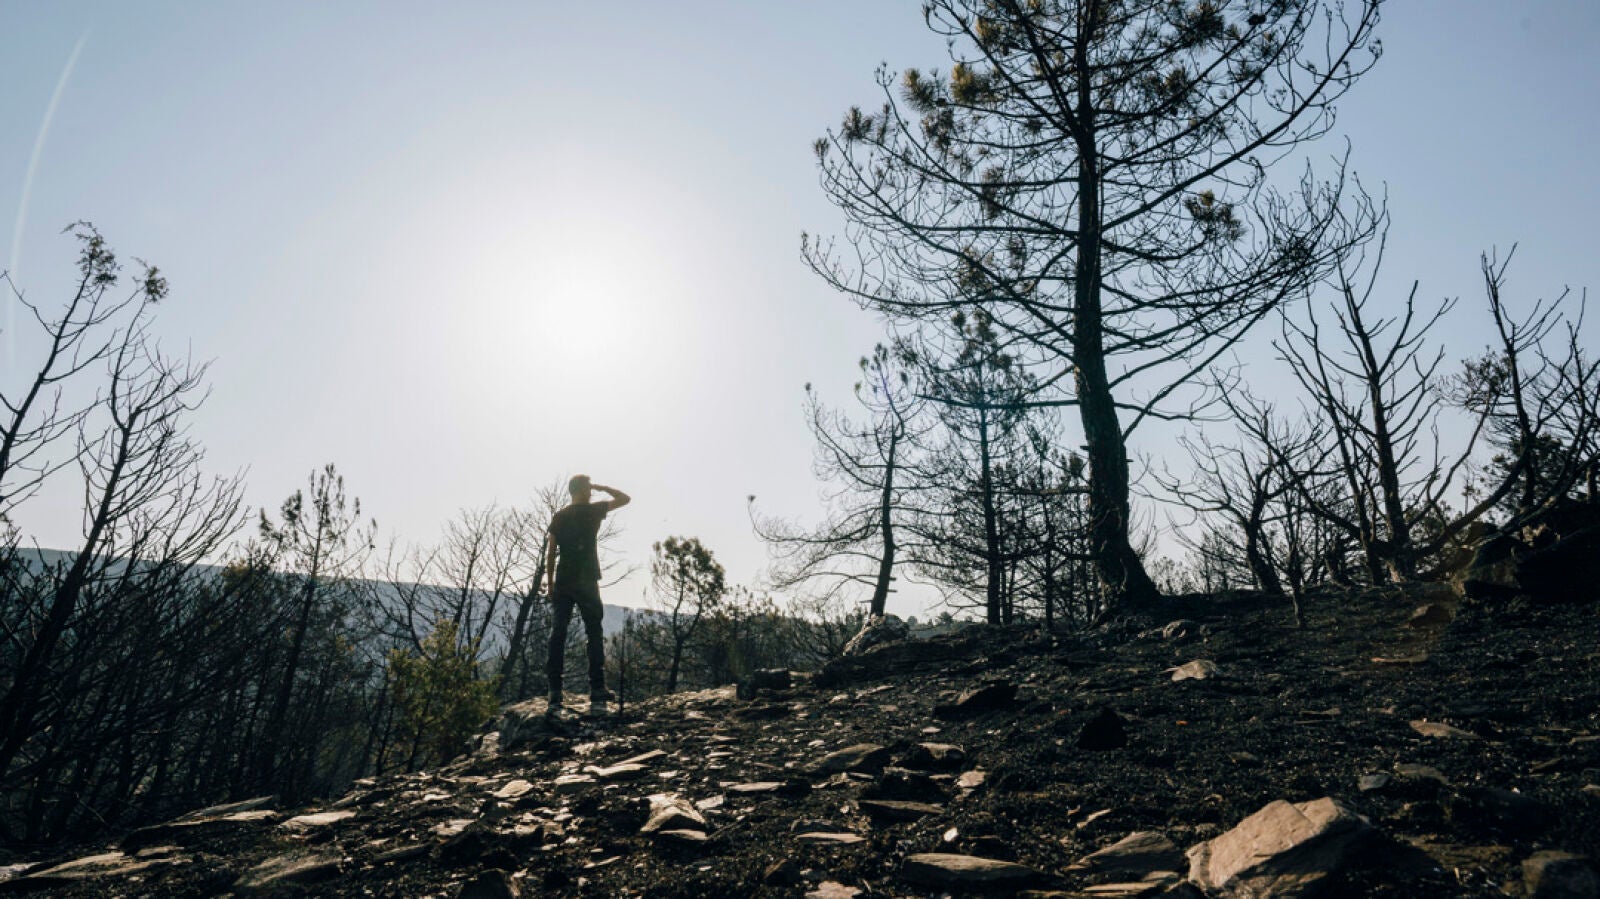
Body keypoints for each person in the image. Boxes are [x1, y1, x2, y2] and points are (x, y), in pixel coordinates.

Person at [541, 475, 630, 717]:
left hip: (564, 580)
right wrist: (604, 487)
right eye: (589, 488)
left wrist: (550, 583)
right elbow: (625, 499)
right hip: (587, 579)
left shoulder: (560, 517)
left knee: (558, 633)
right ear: (583, 490)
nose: (592, 492)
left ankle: (554, 691)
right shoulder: (593, 511)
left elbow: (551, 552)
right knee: (594, 631)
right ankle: (597, 688)